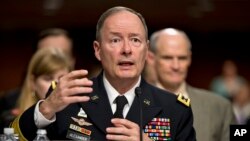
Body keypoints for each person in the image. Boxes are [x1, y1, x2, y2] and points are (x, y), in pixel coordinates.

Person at [11, 6, 196, 141]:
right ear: (98, 50)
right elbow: (10, 138)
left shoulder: (175, 109)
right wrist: (46, 108)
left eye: (135, 40)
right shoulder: (68, 99)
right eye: (115, 40)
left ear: (146, 51)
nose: (126, 49)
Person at [147, 28, 235, 141]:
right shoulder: (134, 101)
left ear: (190, 58)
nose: (176, 66)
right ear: (151, 58)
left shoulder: (220, 106)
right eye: (167, 58)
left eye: (182, 58)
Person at [0, 28, 75, 133]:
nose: (55, 84)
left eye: (61, 78)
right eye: (48, 78)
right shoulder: (9, 115)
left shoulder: (83, 112)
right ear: (32, 82)